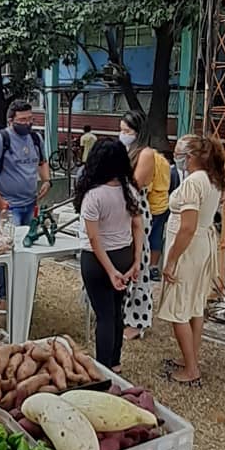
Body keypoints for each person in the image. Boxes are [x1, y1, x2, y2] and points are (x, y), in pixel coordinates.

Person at [157, 134, 225, 386]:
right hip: (202, 245)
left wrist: (172, 259)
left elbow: (187, 227)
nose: (177, 158)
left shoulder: (193, 183)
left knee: (178, 308)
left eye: (180, 153)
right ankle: (191, 359)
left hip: (188, 247)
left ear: (193, 156)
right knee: (194, 304)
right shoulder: (213, 179)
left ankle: (191, 369)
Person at [75, 138, 143, 371]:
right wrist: (136, 261)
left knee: (103, 315)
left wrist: (109, 270)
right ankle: (115, 363)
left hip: (97, 261)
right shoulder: (130, 190)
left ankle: (103, 368)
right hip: (124, 254)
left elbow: (94, 239)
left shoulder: (93, 196)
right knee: (115, 312)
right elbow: (138, 226)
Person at [0, 100, 52, 311]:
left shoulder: (36, 138)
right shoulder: (0, 140)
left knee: (28, 250)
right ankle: (5, 296)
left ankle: (25, 293)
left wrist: (46, 180)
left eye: (30, 119)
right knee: (7, 251)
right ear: (11, 120)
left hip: (30, 203)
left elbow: (42, 161)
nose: (27, 123)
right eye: (22, 120)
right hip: (8, 206)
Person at [119, 110, 171, 341]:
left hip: (136, 210)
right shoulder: (126, 151)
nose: (123, 135)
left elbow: (135, 183)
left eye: (127, 132)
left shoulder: (146, 154)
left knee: (138, 263)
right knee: (122, 262)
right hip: (119, 209)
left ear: (139, 133)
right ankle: (123, 313)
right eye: (121, 130)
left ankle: (138, 321)